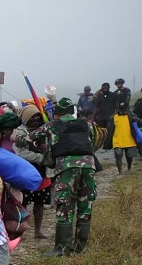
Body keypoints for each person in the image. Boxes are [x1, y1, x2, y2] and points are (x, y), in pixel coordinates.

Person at [28, 98, 97, 256]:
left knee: (64, 206)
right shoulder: (86, 124)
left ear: (57, 113)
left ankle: (62, 248)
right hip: (88, 166)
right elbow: (92, 142)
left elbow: (29, 137)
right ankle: (80, 248)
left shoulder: (52, 125)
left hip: (66, 168)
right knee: (85, 206)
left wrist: (15, 138)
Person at [13, 105, 52, 238]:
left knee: (40, 202)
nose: (35, 119)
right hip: (26, 173)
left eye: (37, 117)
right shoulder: (19, 132)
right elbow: (21, 153)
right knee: (23, 203)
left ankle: (38, 231)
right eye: (32, 117)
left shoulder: (45, 130)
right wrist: (42, 158)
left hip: (43, 173)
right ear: (25, 118)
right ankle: (20, 232)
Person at [107, 101, 139, 174]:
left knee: (129, 157)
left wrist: (136, 120)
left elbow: (140, 123)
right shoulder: (113, 117)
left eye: (124, 108)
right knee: (118, 157)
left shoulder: (131, 116)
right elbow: (109, 130)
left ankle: (129, 167)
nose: (122, 110)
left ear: (127, 108)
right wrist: (108, 142)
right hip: (117, 140)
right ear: (117, 109)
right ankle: (120, 172)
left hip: (130, 140)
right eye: (120, 108)